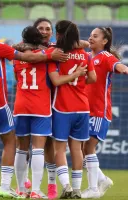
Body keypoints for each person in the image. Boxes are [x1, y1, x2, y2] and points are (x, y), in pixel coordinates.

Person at [0, 13, 64, 199]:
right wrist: (49, 54)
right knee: (17, 144)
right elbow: (31, 58)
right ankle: (16, 188)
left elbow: (19, 62)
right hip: (14, 104)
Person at [13, 25, 88, 199]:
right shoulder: (48, 56)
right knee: (38, 149)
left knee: (21, 149)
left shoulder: (17, 58)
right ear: (40, 40)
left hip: (21, 105)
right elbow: (55, 77)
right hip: (41, 106)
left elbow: (17, 77)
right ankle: (36, 191)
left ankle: (20, 189)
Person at [47, 20, 96, 199]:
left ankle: (66, 185)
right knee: (77, 149)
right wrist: (79, 82)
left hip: (62, 107)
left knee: (58, 149)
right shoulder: (85, 55)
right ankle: (76, 190)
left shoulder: (57, 55)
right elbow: (93, 77)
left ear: (59, 34)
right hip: (82, 107)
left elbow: (57, 81)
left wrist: (71, 78)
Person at [81, 27, 128, 199]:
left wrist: (125, 69)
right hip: (84, 111)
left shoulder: (106, 57)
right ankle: (102, 179)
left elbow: (118, 65)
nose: (91, 38)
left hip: (99, 112)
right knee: (81, 148)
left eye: (95, 36)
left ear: (105, 41)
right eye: (90, 35)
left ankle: (93, 188)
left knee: (88, 147)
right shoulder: (86, 57)